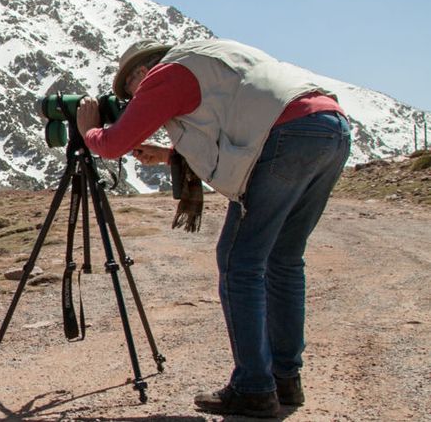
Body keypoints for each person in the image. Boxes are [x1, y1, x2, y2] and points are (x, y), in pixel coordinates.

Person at [76, 38, 350, 418]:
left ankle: (254, 387)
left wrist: (89, 129)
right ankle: (285, 378)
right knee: (284, 259)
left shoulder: (166, 74)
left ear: (142, 72)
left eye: (130, 92)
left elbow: (111, 144)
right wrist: (170, 153)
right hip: (328, 127)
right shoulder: (211, 58)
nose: (133, 100)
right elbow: (237, 124)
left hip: (287, 135)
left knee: (240, 262)